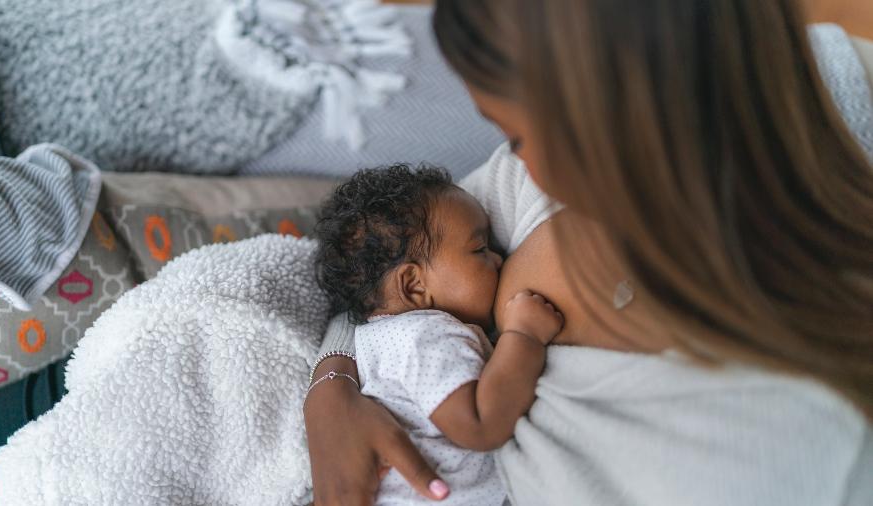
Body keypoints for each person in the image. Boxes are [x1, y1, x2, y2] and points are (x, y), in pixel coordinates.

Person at [304, 1, 873, 505]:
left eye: (521, 138)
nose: (513, 159)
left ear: (609, 114)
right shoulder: (532, 192)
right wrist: (332, 388)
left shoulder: (786, 452)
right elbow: (379, 266)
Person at [312, 164, 563, 504]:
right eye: (479, 250)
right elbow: (480, 423)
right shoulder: (425, 337)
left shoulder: (382, 339)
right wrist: (524, 336)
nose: (499, 259)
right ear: (414, 286)